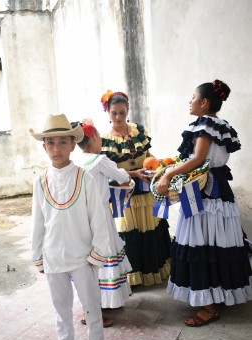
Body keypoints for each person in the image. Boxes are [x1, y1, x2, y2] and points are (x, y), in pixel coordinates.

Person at [156, 79, 252, 326]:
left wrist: (168, 174)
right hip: (218, 190)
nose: (190, 101)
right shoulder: (221, 125)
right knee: (216, 242)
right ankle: (215, 295)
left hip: (205, 191)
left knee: (201, 243)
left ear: (204, 102)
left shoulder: (205, 125)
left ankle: (208, 307)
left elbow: (198, 159)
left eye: (193, 97)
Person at [29, 113, 111, 340]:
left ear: (73, 145)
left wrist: (98, 253)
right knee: (61, 306)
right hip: (53, 256)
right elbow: (38, 221)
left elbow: (97, 218)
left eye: (62, 142)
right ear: (44, 147)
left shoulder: (83, 177)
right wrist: (37, 254)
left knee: (91, 304)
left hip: (83, 256)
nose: (56, 148)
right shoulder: (40, 181)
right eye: (50, 143)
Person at [100, 90, 171, 287]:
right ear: (108, 112)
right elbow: (107, 171)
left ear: (127, 110)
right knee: (129, 234)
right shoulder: (105, 140)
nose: (118, 118)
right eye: (114, 113)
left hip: (145, 191)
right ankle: (132, 278)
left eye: (122, 113)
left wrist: (156, 168)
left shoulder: (138, 131)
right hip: (123, 195)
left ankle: (152, 272)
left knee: (149, 229)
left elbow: (149, 155)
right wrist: (134, 174)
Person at [75, 119, 132, 320]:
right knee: (104, 255)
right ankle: (98, 309)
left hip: (81, 218)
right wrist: (128, 174)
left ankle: (89, 304)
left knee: (89, 259)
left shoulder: (76, 162)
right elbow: (121, 177)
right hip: (99, 217)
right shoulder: (100, 160)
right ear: (96, 138)